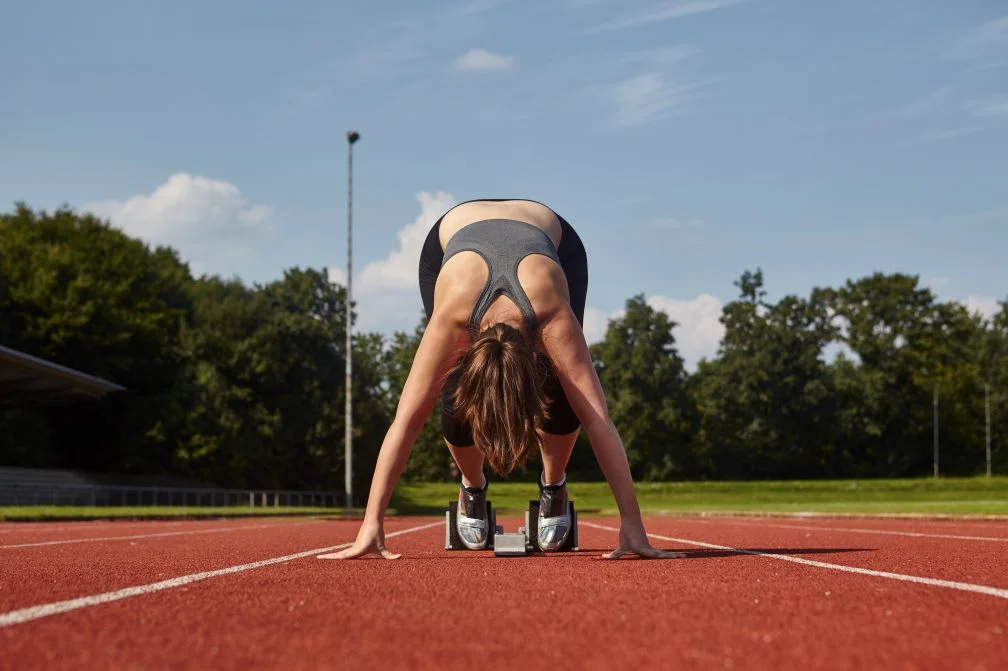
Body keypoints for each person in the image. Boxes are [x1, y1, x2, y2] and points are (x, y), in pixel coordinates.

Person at [327, 199, 679, 560]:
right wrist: (371, 524)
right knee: (451, 391)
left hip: (552, 239)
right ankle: (472, 488)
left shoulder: (550, 313)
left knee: (565, 390)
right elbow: (407, 421)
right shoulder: (452, 319)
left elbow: (595, 416)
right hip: (451, 238)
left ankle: (554, 486)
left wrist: (633, 525)